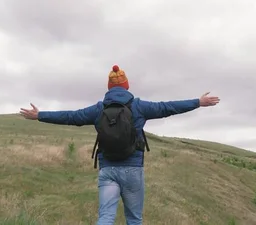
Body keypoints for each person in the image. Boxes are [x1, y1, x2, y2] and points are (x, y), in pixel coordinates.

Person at [19, 64, 220, 225]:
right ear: (127, 85)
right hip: (133, 168)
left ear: (109, 87)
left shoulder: (98, 109)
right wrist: (197, 102)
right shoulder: (140, 106)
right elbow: (167, 107)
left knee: (105, 218)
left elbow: (71, 116)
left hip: (108, 169)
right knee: (134, 219)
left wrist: (40, 115)